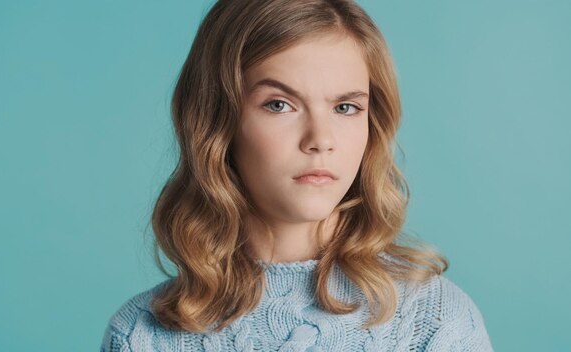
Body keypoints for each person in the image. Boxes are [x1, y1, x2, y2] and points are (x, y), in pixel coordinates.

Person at [100, 0, 494, 351]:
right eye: (279, 104)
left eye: (345, 108)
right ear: (217, 122)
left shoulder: (434, 322)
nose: (321, 140)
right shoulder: (143, 335)